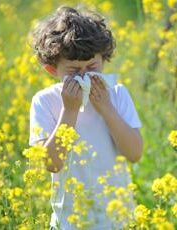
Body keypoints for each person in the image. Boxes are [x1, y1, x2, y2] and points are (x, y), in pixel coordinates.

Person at [28, 5, 143, 229]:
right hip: (70, 222)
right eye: (73, 70)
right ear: (53, 70)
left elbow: (134, 153)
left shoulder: (117, 94)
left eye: (92, 66)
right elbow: (51, 164)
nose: (84, 76)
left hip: (117, 219)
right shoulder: (44, 102)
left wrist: (106, 108)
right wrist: (69, 110)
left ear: (104, 59)